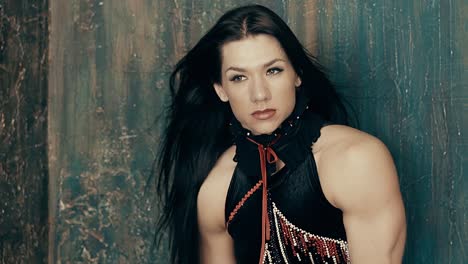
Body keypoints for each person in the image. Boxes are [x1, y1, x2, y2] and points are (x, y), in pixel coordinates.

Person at [154, 4, 406, 264]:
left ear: (296, 74)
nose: (260, 94)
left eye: (273, 70)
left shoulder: (355, 161)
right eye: (239, 78)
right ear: (221, 89)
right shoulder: (216, 191)